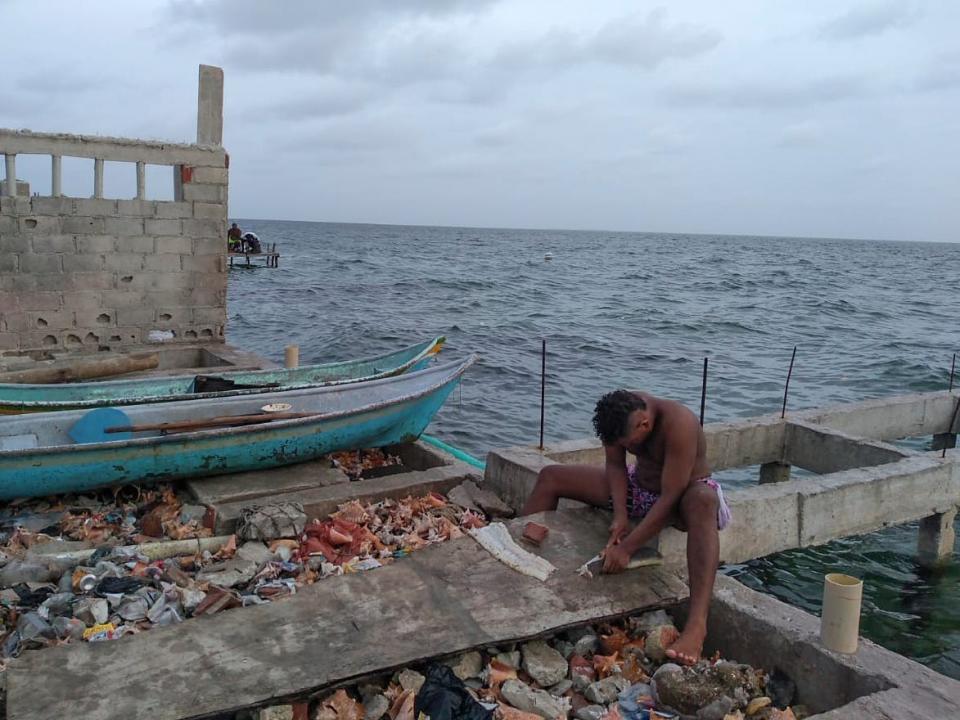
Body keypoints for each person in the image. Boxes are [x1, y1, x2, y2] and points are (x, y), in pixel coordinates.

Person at [520, 389, 731, 666]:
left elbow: (671, 496)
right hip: (639, 487)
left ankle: (696, 625)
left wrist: (627, 549)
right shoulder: (616, 418)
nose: (626, 448)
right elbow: (616, 466)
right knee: (551, 477)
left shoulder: (680, 424)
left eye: (628, 443)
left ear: (644, 424)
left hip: (682, 497)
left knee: (704, 499)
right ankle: (515, 551)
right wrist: (620, 515)